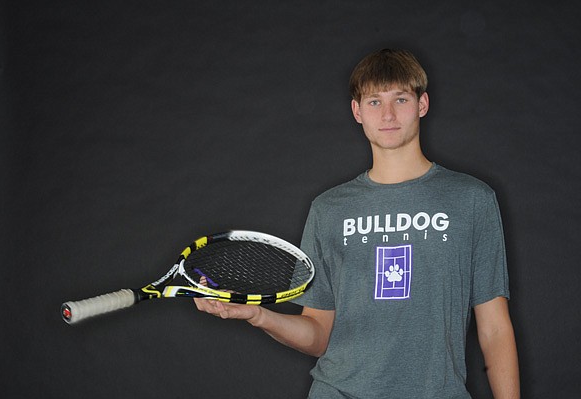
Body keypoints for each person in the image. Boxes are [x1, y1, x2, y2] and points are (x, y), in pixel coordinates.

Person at [194, 48, 520, 399]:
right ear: (357, 111)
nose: (389, 114)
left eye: (401, 99)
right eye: (375, 102)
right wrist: (257, 315)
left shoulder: (471, 199)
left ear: (422, 104)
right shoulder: (328, 209)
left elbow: (495, 329)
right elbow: (318, 335)